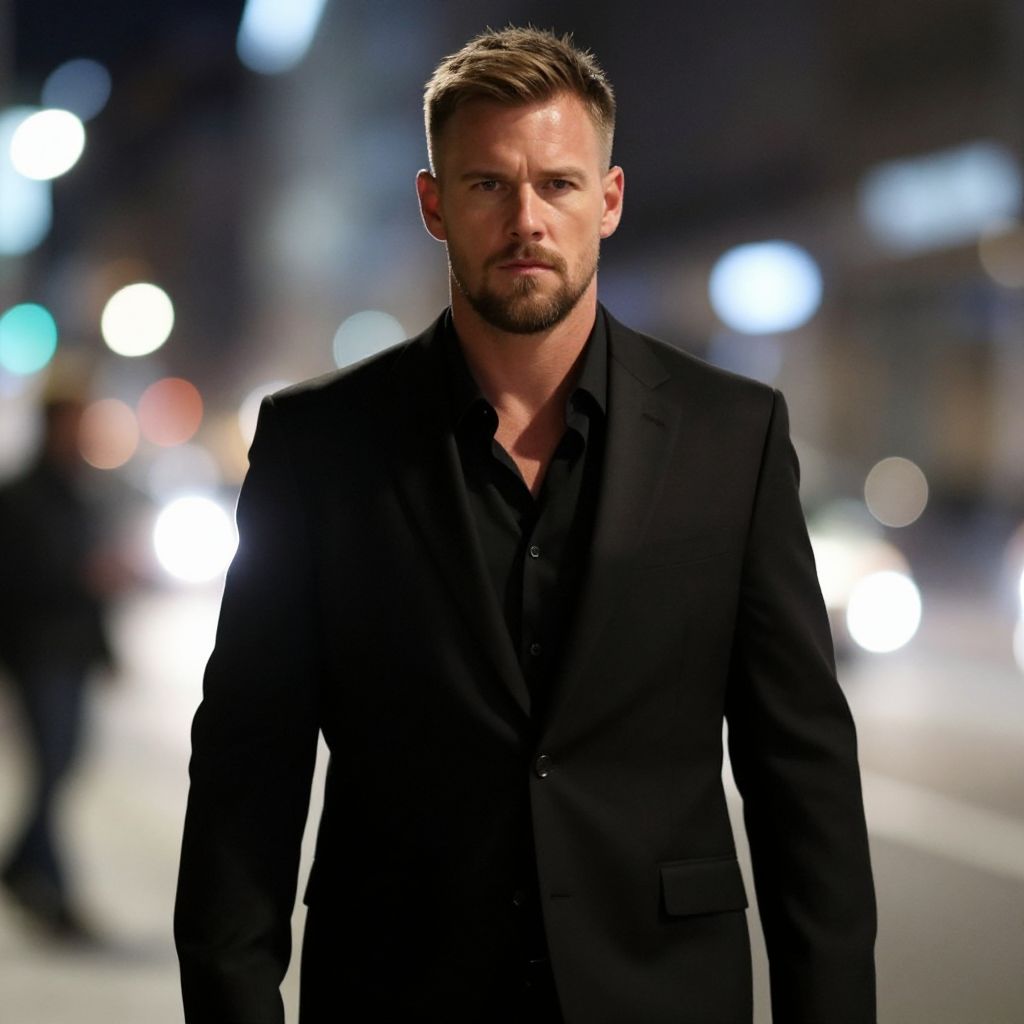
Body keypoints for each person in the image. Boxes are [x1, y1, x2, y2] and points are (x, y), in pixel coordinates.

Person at [175, 26, 876, 1024]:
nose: (526, 219)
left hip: (661, 993)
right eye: (487, 185)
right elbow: (248, 773)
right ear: (432, 206)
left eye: (556, 183)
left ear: (610, 199)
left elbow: (801, 774)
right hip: (398, 993)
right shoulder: (316, 448)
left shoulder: (733, 436)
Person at [0, 397, 114, 942]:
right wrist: (80, 576)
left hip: (70, 651)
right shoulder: (21, 497)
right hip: (38, 652)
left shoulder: (76, 491)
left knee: (62, 765)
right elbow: (20, 578)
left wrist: (106, 649)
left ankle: (24, 868)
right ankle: (50, 888)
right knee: (51, 766)